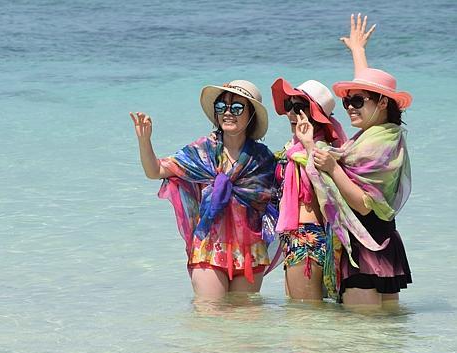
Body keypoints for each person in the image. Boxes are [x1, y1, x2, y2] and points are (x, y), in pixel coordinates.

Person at [298, 14, 413, 307]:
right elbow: (370, 89)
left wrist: (332, 166)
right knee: (384, 342)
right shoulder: (381, 134)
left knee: (362, 343)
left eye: (357, 102)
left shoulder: (376, 143)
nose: (349, 107)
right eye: (348, 101)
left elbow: (363, 203)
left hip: (364, 247)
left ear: (382, 102)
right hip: (384, 245)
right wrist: (358, 51)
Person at [130, 80, 275, 299]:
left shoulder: (263, 161)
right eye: (221, 107)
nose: (227, 113)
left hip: (250, 254)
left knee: (246, 328)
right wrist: (144, 141)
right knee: (209, 320)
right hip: (208, 249)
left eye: (236, 108)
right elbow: (156, 170)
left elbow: (283, 201)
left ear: (251, 115)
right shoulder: (202, 151)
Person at [271, 78, 347, 301]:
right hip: (294, 237)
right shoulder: (291, 150)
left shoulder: (322, 151)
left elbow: (330, 193)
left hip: (307, 238)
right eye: (289, 106)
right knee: (301, 317)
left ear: (314, 114)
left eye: (299, 108)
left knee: (304, 316)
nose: (291, 114)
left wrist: (308, 145)